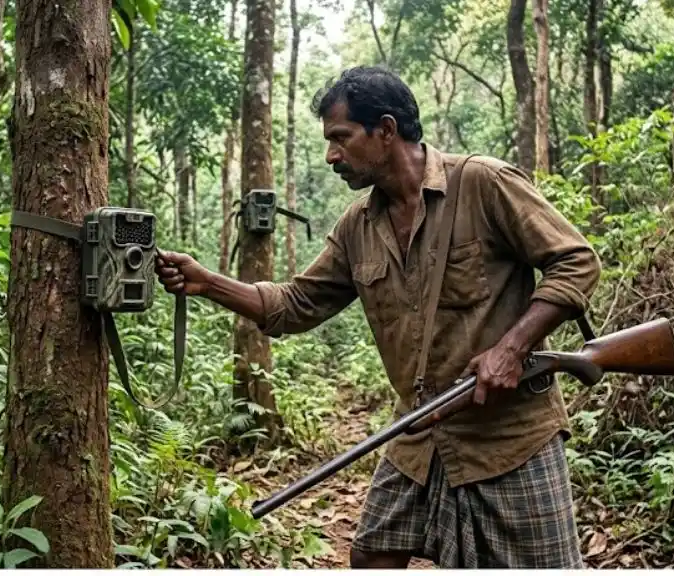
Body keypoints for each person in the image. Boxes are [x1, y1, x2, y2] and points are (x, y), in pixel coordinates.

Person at [154, 65, 600, 569]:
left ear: (385, 130)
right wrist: (207, 282)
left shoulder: (482, 183)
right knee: (370, 554)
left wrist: (513, 347)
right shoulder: (357, 226)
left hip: (513, 439)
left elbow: (577, 261)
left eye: (341, 138)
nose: (331, 156)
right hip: (418, 435)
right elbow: (295, 304)